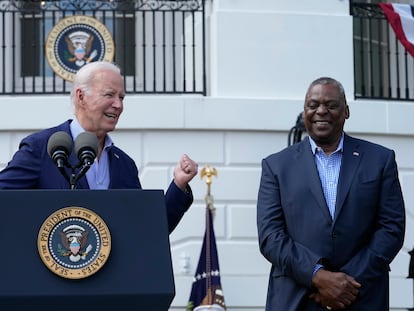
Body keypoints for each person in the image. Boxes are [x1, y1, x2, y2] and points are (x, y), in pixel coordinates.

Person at [257, 77, 405, 310]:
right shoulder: (276, 166)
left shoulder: (380, 160)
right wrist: (318, 276)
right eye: (313, 105)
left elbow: (391, 228)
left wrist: (344, 283)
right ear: (304, 111)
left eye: (331, 105)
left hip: (361, 295)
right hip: (297, 298)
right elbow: (271, 237)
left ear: (346, 111)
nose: (321, 111)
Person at [0, 61, 198, 234]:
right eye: (109, 95)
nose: (118, 105)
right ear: (81, 97)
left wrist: (179, 184)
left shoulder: (124, 164)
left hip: (111, 276)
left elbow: (147, 229)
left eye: (122, 97)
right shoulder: (42, 148)